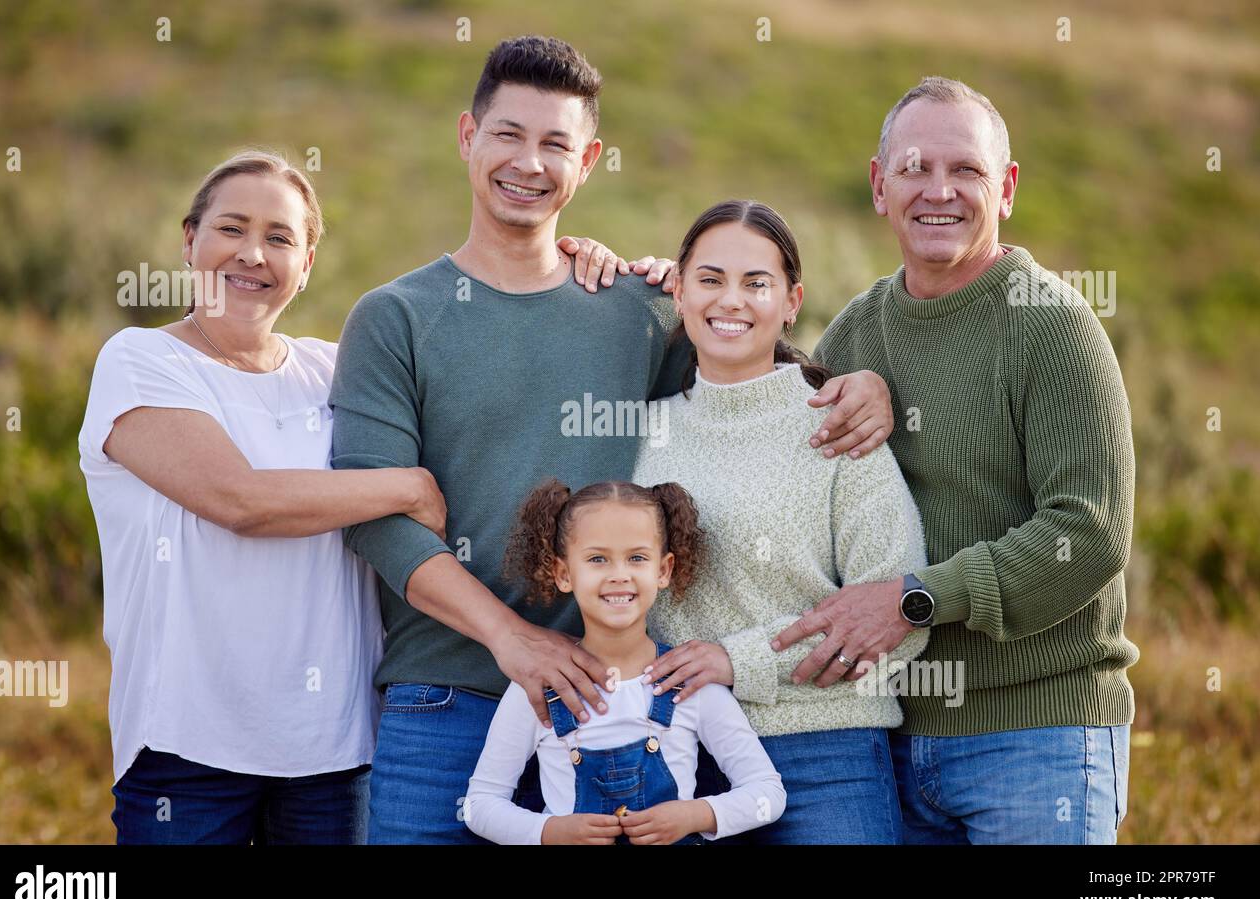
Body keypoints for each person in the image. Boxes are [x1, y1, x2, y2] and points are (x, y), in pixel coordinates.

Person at [328, 35, 894, 844]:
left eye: (556, 143)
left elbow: (741, 377)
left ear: (588, 161)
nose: (529, 162)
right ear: (466, 137)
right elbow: (374, 515)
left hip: (623, 714)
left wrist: (855, 382)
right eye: (508, 135)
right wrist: (510, 638)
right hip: (448, 699)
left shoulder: (636, 309)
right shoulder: (395, 317)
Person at [76, 149, 627, 844]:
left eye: (280, 238)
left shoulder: (328, 368)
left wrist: (588, 268)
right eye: (230, 229)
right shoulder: (141, 362)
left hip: (332, 750)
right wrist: (403, 484)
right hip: (188, 744)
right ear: (189, 240)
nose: (252, 253)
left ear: (306, 265)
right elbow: (240, 500)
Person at [801, 76, 1137, 844]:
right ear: (880, 185)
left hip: (1038, 736)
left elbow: (1088, 535)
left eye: (967, 171)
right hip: (886, 742)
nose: (939, 191)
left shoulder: (1052, 324)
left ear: (1007, 188)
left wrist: (917, 598)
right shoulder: (855, 335)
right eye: (915, 168)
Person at [634, 200, 929, 843]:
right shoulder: (641, 435)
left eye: (756, 283)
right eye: (710, 280)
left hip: (826, 756)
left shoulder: (838, 425)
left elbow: (900, 619)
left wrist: (735, 661)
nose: (730, 301)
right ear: (679, 290)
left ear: (792, 300)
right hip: (681, 755)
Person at [464, 479, 785, 845]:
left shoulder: (691, 683)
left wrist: (694, 815)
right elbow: (480, 806)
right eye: (597, 559)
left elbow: (767, 794)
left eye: (637, 558)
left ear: (662, 571)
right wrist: (548, 831)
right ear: (564, 573)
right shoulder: (538, 690)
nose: (619, 574)